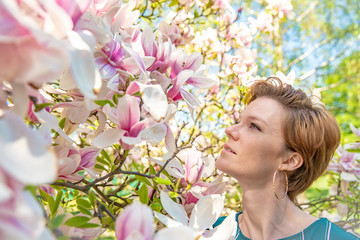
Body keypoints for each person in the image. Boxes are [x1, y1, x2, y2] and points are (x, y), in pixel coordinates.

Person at [214, 77, 359, 240]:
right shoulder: (207, 232)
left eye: (254, 126)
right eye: (239, 121)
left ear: (290, 161)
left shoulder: (331, 238)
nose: (229, 130)